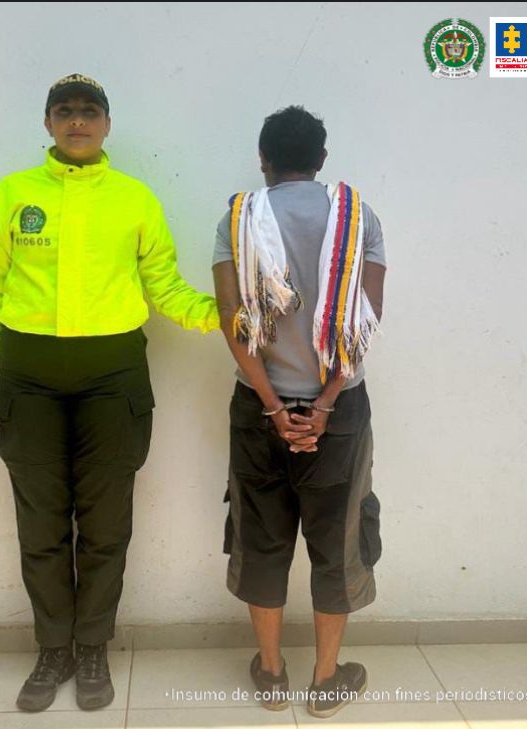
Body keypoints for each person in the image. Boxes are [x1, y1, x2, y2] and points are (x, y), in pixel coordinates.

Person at [0, 73, 219, 713]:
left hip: (113, 376)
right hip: (28, 375)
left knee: (106, 524)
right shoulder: (14, 194)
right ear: (47, 123)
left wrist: (225, 315)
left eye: (89, 111)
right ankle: (52, 648)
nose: (77, 120)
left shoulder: (134, 199)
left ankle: (91, 649)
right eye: (65, 111)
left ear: (107, 125)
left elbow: (165, 286)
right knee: (41, 523)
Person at [212, 105, 386, 719]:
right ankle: (326, 678)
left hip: (258, 410)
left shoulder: (237, 219)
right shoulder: (359, 216)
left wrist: (272, 407)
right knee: (337, 538)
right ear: (321, 159)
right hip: (338, 415)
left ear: (263, 160)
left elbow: (232, 322)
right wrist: (326, 404)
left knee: (261, 536)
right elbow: (366, 319)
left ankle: (270, 672)